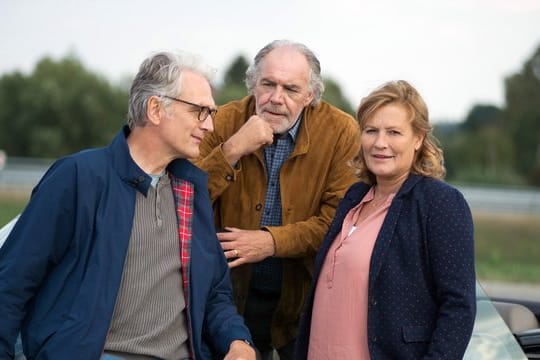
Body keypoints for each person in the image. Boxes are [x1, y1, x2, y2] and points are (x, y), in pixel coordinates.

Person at [0, 51, 256, 360]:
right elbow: (12, 283)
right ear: (155, 109)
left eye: (211, 112)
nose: (210, 126)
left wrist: (237, 341)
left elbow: (215, 294)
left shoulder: (192, 189)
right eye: (200, 111)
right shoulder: (79, 176)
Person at [192, 40, 360, 359]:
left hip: (303, 302)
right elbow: (182, 198)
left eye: (291, 89)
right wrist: (231, 151)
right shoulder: (222, 121)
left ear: (310, 95)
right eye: (268, 84)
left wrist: (270, 242)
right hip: (225, 299)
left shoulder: (340, 132)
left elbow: (338, 222)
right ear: (253, 83)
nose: (276, 98)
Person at [295, 80, 476, 359]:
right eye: (371, 131)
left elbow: (459, 306)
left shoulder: (439, 203)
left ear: (417, 139)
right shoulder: (354, 197)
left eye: (394, 132)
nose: (380, 143)